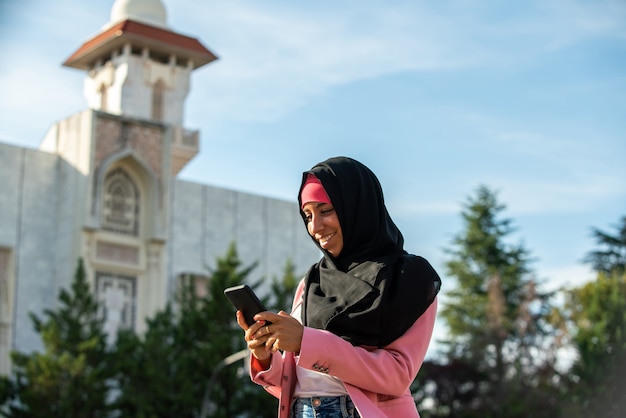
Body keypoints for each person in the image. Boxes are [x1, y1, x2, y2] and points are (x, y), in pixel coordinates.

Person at [236, 156, 441, 418]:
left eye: (325, 210)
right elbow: (299, 380)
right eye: (307, 215)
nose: (315, 227)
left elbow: (396, 376)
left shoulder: (408, 278)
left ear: (357, 207)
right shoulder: (312, 282)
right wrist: (265, 356)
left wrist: (305, 341)